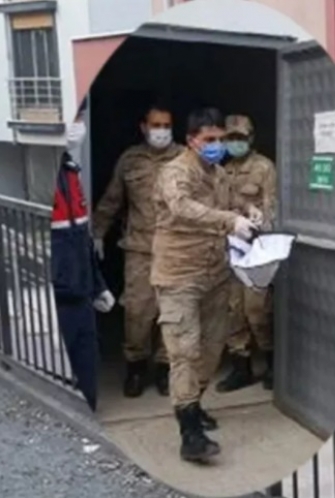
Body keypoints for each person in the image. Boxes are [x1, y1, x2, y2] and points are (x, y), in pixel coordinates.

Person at [150, 107, 257, 463]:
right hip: (178, 275)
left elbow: (234, 201)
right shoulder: (175, 172)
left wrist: (249, 211)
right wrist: (230, 220)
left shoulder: (220, 174)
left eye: (220, 139)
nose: (216, 145)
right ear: (191, 140)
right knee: (184, 351)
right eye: (209, 139)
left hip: (215, 275)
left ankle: (193, 404)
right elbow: (181, 207)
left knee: (212, 348)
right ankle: (190, 433)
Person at [91, 104, 185, 398]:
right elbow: (112, 199)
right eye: (156, 125)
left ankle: (165, 369)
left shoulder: (185, 158)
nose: (162, 131)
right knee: (137, 311)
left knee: (172, 311)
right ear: (144, 127)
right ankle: (135, 367)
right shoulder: (130, 160)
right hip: (140, 250)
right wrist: (97, 232)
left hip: (177, 249)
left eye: (167, 125)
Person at [51, 103, 116, 412]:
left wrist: (98, 284)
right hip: (58, 295)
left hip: (80, 293)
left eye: (79, 115)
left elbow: (80, 238)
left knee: (88, 365)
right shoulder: (38, 174)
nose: (77, 124)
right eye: (71, 115)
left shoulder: (71, 173)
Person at [215, 114, 278, 393]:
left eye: (240, 138)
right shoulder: (222, 170)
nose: (235, 143)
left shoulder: (264, 167)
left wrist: (260, 230)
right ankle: (241, 367)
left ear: (250, 139)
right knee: (233, 311)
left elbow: (271, 207)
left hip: (256, 250)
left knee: (257, 310)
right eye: (230, 138)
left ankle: (273, 364)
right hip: (229, 250)